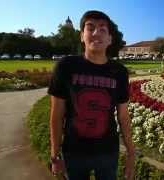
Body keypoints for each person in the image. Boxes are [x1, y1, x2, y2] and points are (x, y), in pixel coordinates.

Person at [48, 10, 135, 180]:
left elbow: (123, 116)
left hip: (107, 152)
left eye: (103, 29)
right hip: (74, 152)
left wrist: (131, 153)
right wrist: (54, 154)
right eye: (90, 28)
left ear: (110, 39)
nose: (96, 33)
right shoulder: (66, 66)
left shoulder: (119, 72)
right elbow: (56, 115)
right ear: (81, 36)